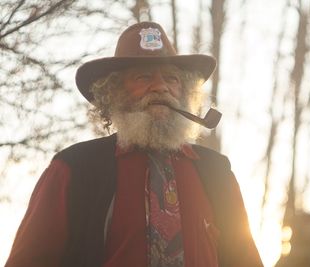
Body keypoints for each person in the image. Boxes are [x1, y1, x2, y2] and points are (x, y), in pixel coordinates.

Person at [5, 21, 263, 267]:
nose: (160, 87)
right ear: (115, 91)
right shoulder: (74, 169)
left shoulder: (216, 171)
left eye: (171, 78)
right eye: (143, 77)